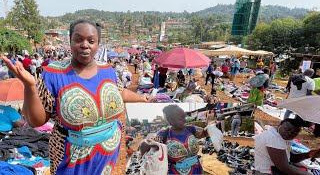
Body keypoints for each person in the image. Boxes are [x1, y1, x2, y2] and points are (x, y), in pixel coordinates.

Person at [1, 19, 150, 174]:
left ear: (98, 45)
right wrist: (30, 87)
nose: (85, 44)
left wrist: (142, 98)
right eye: (78, 39)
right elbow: (36, 121)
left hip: (108, 150)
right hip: (71, 156)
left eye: (91, 41)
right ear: (70, 41)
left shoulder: (108, 70)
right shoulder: (54, 73)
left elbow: (120, 92)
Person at [140, 105, 211, 175]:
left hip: (196, 169)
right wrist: (147, 143)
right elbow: (147, 147)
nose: (185, 120)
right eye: (181, 118)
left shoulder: (190, 129)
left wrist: (212, 127)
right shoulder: (164, 134)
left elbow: (203, 133)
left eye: (184, 117)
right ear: (171, 120)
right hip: (175, 172)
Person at [255, 117, 320, 175]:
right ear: (280, 125)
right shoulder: (273, 139)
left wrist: (308, 154)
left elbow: (291, 158)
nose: (290, 133)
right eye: (287, 129)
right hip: (265, 172)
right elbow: (284, 167)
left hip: (275, 169)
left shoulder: (283, 137)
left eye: (294, 133)